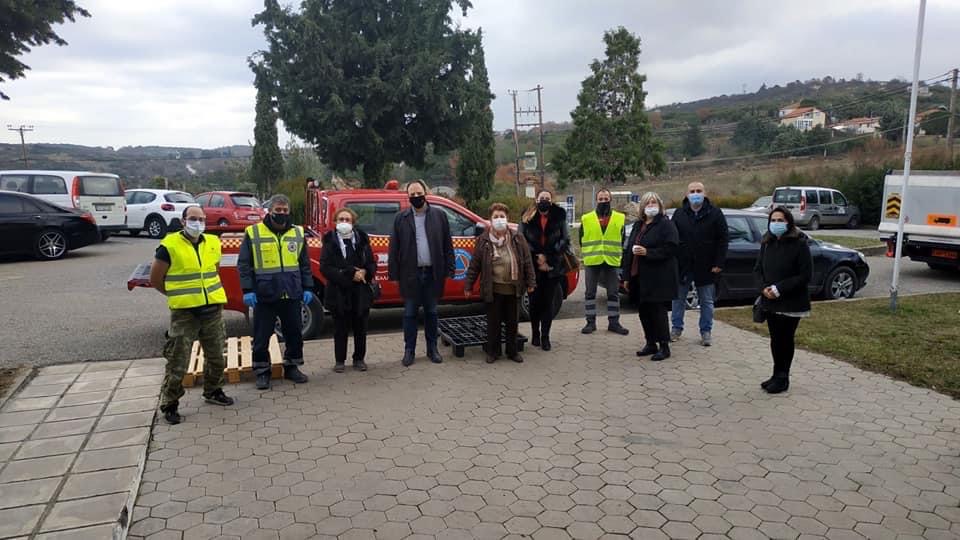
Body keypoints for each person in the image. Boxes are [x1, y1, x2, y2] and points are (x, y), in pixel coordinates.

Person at [150, 205, 234, 425]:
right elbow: (155, 279)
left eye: (202, 219)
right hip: (185, 313)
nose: (198, 223)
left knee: (216, 356)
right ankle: (170, 403)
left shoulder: (213, 243)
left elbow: (213, 271)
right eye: (193, 219)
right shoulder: (169, 245)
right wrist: (179, 295)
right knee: (178, 360)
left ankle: (213, 390)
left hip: (212, 310)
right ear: (183, 221)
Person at [238, 194, 314, 390]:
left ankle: (292, 367)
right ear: (269, 211)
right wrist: (248, 289)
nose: (281, 213)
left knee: (294, 334)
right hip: (265, 293)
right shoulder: (254, 232)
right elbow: (244, 264)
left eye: (285, 210)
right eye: (277, 210)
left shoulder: (298, 232)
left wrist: (307, 287)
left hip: (291, 292)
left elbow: (304, 264)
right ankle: (262, 371)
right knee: (262, 336)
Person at [388, 180, 454, 366]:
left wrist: (450, 268)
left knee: (431, 313)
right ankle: (409, 350)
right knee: (410, 314)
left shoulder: (439, 215)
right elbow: (394, 248)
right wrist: (393, 274)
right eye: (412, 194)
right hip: (410, 274)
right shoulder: (400, 218)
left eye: (419, 193)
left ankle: (432, 349)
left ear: (426, 192)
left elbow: (447, 244)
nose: (416, 197)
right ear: (408, 196)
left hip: (432, 273)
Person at [464, 203, 537, 364]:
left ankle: (512, 351)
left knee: (512, 323)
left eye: (502, 216)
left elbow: (527, 261)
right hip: (493, 289)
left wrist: (531, 282)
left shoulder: (517, 238)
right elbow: (475, 265)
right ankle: (493, 352)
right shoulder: (483, 240)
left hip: (513, 288)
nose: (499, 219)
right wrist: (468, 285)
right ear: (490, 220)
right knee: (493, 323)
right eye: (495, 217)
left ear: (507, 218)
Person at [755, 207, 812, 394]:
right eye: (773, 220)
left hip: (791, 301)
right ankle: (775, 374)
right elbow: (758, 269)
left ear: (788, 222)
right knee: (775, 339)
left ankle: (783, 377)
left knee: (785, 339)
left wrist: (780, 288)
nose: (776, 223)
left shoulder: (799, 244)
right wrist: (764, 288)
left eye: (780, 220)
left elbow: (805, 275)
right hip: (770, 300)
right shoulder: (767, 242)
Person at [622, 192, 679, 361]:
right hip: (639, 276)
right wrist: (626, 276)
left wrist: (648, 252)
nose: (651, 206)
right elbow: (629, 250)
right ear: (642, 207)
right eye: (647, 203)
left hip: (658, 277)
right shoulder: (639, 225)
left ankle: (664, 346)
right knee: (644, 311)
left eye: (654, 202)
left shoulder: (666, 224)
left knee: (657, 311)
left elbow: (671, 248)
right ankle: (650, 342)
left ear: (660, 206)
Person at [670, 182, 728, 346]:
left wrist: (719, 262)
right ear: (687, 194)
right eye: (692, 191)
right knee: (678, 299)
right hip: (683, 265)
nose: (695, 194)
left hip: (706, 265)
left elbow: (723, 240)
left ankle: (706, 331)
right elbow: (673, 238)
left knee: (707, 301)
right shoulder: (679, 214)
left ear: (704, 193)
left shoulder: (715, 213)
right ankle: (676, 328)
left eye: (699, 191)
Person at [320, 208, 376, 373]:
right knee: (340, 329)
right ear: (335, 222)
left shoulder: (362, 240)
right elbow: (325, 267)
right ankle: (340, 360)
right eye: (341, 219)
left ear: (353, 223)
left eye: (347, 220)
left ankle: (359, 359)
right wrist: (349, 275)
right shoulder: (329, 241)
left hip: (360, 292)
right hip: (338, 292)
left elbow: (371, 263)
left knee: (361, 328)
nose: (344, 223)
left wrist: (365, 272)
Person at [519, 189, 569, 351]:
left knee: (548, 303)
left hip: (553, 267)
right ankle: (535, 333)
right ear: (536, 199)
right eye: (542, 198)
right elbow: (521, 239)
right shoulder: (527, 216)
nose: (545, 200)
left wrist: (547, 256)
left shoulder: (559, 216)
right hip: (532, 267)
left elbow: (565, 239)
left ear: (551, 200)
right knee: (534, 303)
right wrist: (537, 256)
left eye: (547, 198)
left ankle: (545, 337)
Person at [579, 188, 629, 336]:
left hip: (611, 260)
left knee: (613, 293)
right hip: (592, 260)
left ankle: (614, 323)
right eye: (600, 199)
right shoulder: (586, 218)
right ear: (596, 200)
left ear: (610, 200)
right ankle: (590, 323)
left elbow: (622, 239)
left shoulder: (620, 218)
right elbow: (581, 239)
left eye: (606, 199)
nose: (603, 201)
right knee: (590, 293)